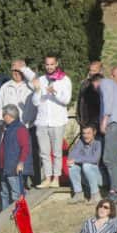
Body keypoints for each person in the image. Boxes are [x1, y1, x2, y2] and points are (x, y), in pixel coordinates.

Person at [28, 56, 72, 188]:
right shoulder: (41, 80)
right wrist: (36, 90)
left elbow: (66, 100)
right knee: (44, 152)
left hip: (57, 121)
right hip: (42, 121)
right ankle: (47, 178)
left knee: (57, 152)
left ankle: (56, 178)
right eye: (47, 64)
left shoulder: (64, 80)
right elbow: (35, 102)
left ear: (56, 64)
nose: (49, 67)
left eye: (52, 64)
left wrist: (54, 92)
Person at [0, 104, 31, 208]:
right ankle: (4, 218)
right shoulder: (6, 128)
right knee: (4, 193)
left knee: (16, 194)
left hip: (13, 167)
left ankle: (18, 216)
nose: (2, 117)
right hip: (3, 167)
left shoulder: (20, 128)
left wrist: (21, 162)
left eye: (3, 114)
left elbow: (25, 147)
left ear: (9, 115)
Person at [67, 125, 104, 202]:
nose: (86, 136)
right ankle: (78, 194)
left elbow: (94, 159)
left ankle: (95, 195)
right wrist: (80, 159)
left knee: (87, 165)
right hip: (86, 176)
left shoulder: (98, 142)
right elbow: (71, 157)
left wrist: (79, 158)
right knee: (72, 166)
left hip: (100, 177)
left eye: (88, 133)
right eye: (84, 133)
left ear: (94, 132)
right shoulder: (81, 141)